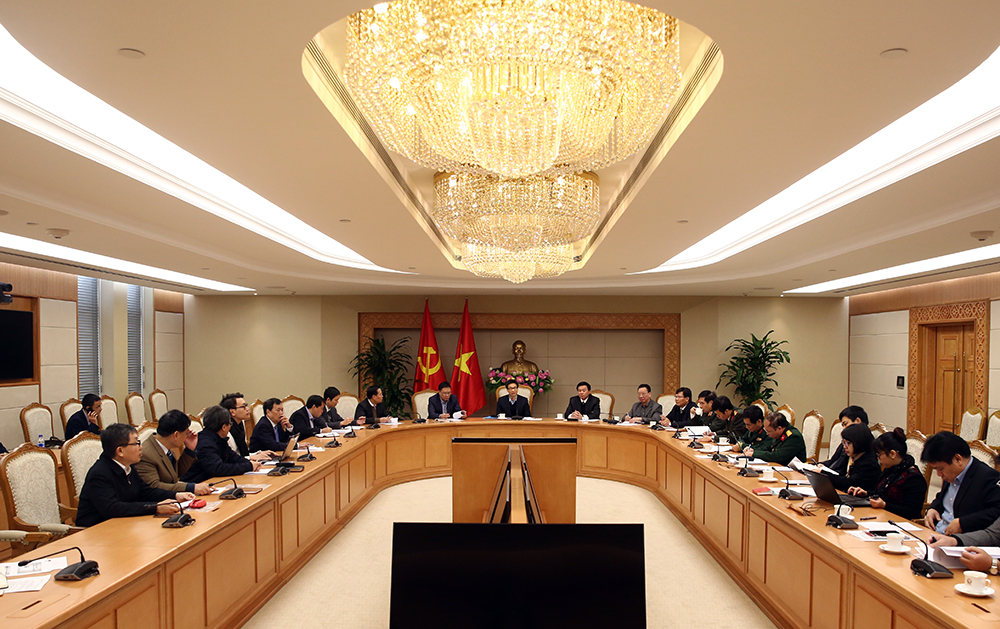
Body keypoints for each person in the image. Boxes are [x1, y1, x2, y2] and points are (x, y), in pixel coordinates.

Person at [75, 423, 193, 527]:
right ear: (120, 451)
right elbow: (112, 508)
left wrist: (176, 495)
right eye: (136, 443)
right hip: (97, 530)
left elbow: (145, 492)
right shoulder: (99, 474)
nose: (141, 447)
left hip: (125, 524)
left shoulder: (128, 467)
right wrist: (155, 507)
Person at [922, 431, 1000, 536]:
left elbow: (996, 511)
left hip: (961, 540)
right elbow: (943, 497)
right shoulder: (951, 474)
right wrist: (933, 508)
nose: (939, 474)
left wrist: (963, 524)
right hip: (935, 533)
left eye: (940, 469)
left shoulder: (987, 477)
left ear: (958, 459)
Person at [847, 428, 927, 520]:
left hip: (900, 522)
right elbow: (883, 493)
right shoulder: (891, 469)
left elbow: (912, 512)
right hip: (882, 516)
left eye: (879, 454)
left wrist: (885, 505)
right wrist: (866, 493)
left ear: (892, 454)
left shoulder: (914, 478)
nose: (878, 458)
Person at [135, 410, 211, 495]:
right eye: (186, 433)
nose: (187, 436)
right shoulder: (145, 454)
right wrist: (191, 487)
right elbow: (154, 486)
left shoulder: (166, 446)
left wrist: (190, 449)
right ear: (176, 435)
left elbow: (175, 474)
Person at [182, 406, 261, 483]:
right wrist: (248, 466)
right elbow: (218, 469)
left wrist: (250, 464)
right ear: (224, 427)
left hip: (211, 481)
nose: (230, 427)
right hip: (196, 485)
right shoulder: (205, 443)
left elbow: (233, 457)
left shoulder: (218, 438)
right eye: (230, 424)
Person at [829, 423, 880, 494]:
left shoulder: (869, 464)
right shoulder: (850, 456)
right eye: (844, 442)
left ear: (859, 442)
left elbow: (849, 483)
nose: (844, 446)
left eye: (848, 443)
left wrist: (824, 475)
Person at [821, 406, 868, 475]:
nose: (843, 429)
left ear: (858, 421)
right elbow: (833, 461)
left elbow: (840, 470)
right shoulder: (847, 441)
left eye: (846, 424)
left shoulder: (862, 445)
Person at [220, 392, 251, 457]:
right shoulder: (226, 431)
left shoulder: (240, 425)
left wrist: (258, 454)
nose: (247, 409)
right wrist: (250, 458)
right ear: (232, 412)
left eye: (246, 405)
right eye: (243, 406)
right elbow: (232, 457)